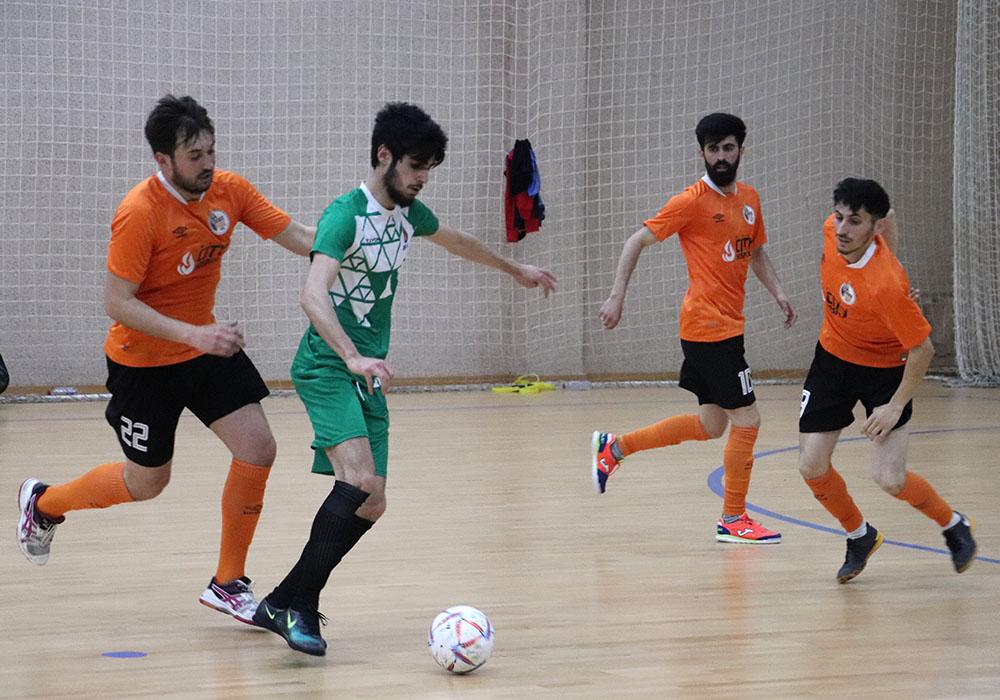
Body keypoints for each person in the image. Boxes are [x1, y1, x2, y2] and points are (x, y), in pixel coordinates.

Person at [251, 102, 557, 656]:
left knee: (372, 501)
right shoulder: (345, 215)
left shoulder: (407, 215)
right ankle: (301, 608)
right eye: (416, 166)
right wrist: (350, 356)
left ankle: (280, 600)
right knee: (357, 481)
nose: (422, 178)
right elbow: (312, 295)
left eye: (429, 169)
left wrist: (515, 269)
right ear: (384, 155)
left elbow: (456, 240)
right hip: (328, 365)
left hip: (367, 370)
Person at [16, 95, 316, 624]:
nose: (208, 164)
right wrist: (192, 334)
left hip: (204, 348)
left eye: (211, 151)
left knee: (258, 448)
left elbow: (297, 237)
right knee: (147, 482)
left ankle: (227, 583)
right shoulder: (140, 212)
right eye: (194, 156)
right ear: (163, 159)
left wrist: (355, 235)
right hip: (144, 363)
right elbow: (117, 302)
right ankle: (44, 504)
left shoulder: (230, 191)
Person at [593, 113, 795, 544]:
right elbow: (635, 241)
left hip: (726, 328)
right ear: (701, 152)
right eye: (713, 149)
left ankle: (615, 447)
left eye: (728, 148)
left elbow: (756, 251)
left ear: (741, 150)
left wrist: (778, 292)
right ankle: (733, 518)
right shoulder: (690, 201)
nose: (721, 156)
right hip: (708, 328)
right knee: (748, 419)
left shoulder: (750, 199)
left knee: (711, 425)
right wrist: (616, 296)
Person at [797, 177, 977, 583]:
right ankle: (859, 536)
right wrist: (885, 244)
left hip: (884, 372)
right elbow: (886, 213)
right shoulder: (833, 231)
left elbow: (923, 350)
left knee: (890, 479)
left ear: (874, 227)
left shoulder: (887, 286)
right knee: (811, 465)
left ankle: (953, 524)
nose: (842, 229)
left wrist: (894, 406)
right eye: (839, 217)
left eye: (855, 221)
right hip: (832, 361)